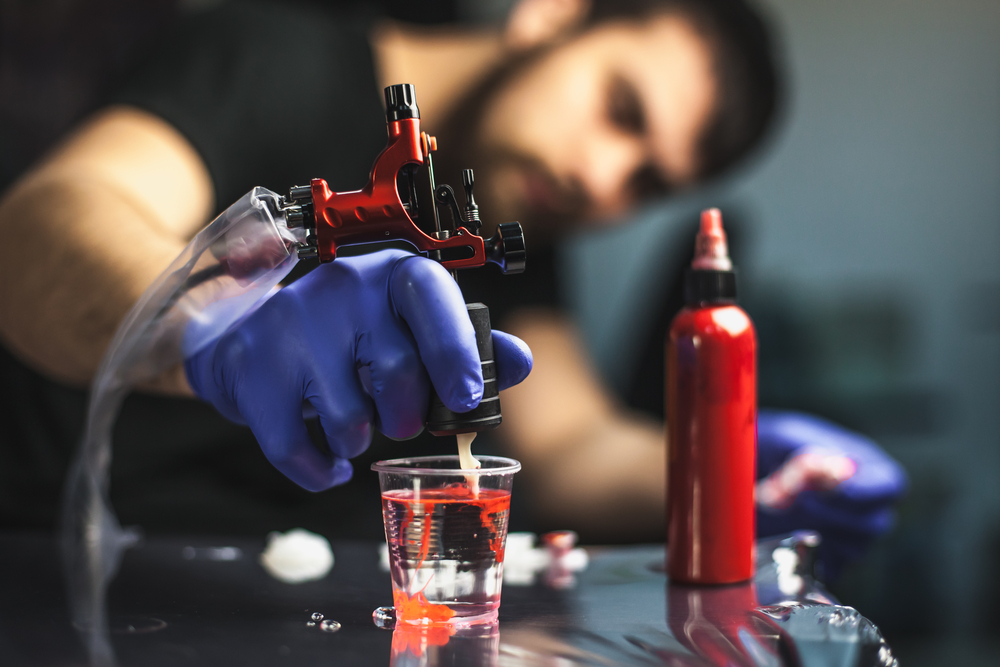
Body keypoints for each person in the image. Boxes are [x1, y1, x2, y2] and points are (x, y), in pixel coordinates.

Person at [0, 0, 903, 576]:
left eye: (647, 182)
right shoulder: (271, 58)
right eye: (620, 109)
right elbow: (46, 226)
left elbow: (570, 442)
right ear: (553, 17)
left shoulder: (519, 206)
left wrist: (726, 467)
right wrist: (213, 327)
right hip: (78, 562)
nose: (602, 178)